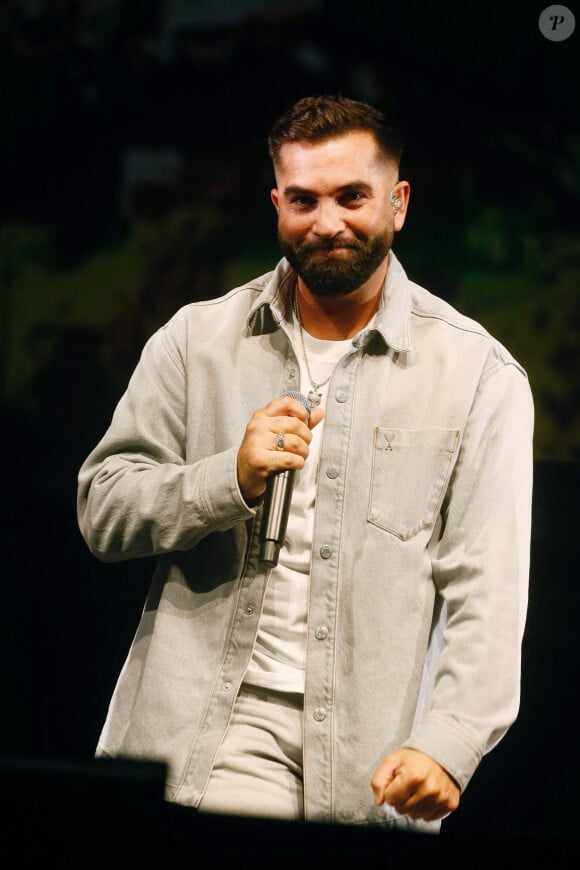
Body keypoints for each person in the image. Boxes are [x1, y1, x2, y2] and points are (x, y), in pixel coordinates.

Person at [77, 94, 534, 834]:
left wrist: (448, 744)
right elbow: (103, 509)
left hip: (366, 762)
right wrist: (228, 478)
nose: (328, 223)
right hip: (194, 740)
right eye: (304, 200)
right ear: (277, 204)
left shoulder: (478, 373)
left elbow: (486, 588)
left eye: (352, 196)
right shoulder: (196, 342)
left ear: (399, 202)